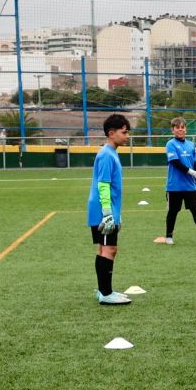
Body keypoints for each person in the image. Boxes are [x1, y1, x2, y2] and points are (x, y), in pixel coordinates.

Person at [87, 113, 132, 305]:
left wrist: (117, 215)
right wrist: (107, 214)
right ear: (111, 133)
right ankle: (106, 294)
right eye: (124, 132)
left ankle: (104, 290)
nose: (127, 136)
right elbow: (103, 185)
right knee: (109, 249)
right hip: (103, 211)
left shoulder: (111, 153)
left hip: (108, 209)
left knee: (103, 249)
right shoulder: (106, 155)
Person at [155, 117, 196, 246]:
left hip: (189, 186)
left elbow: (193, 164)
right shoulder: (170, 144)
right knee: (173, 211)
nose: (180, 130)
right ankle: (169, 236)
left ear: (186, 129)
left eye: (182, 127)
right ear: (173, 130)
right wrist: (192, 173)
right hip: (174, 186)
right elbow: (175, 163)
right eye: (177, 127)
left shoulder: (191, 145)